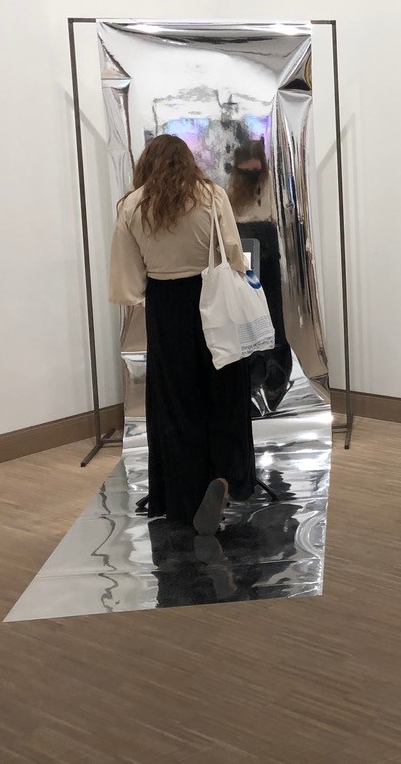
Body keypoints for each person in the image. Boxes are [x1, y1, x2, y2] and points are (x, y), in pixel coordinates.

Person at [109, 135, 256, 536]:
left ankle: (182, 494)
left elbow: (127, 278)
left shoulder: (132, 205)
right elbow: (232, 252)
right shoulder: (210, 195)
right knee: (224, 393)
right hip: (213, 298)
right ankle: (226, 477)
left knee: (175, 402)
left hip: (165, 306)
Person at [227, 140, 293, 414]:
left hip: (268, 259)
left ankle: (274, 384)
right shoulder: (229, 192)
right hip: (242, 261)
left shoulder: (274, 187)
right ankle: (248, 385)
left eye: (256, 170)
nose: (252, 176)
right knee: (244, 323)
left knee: (273, 320)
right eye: (247, 172)